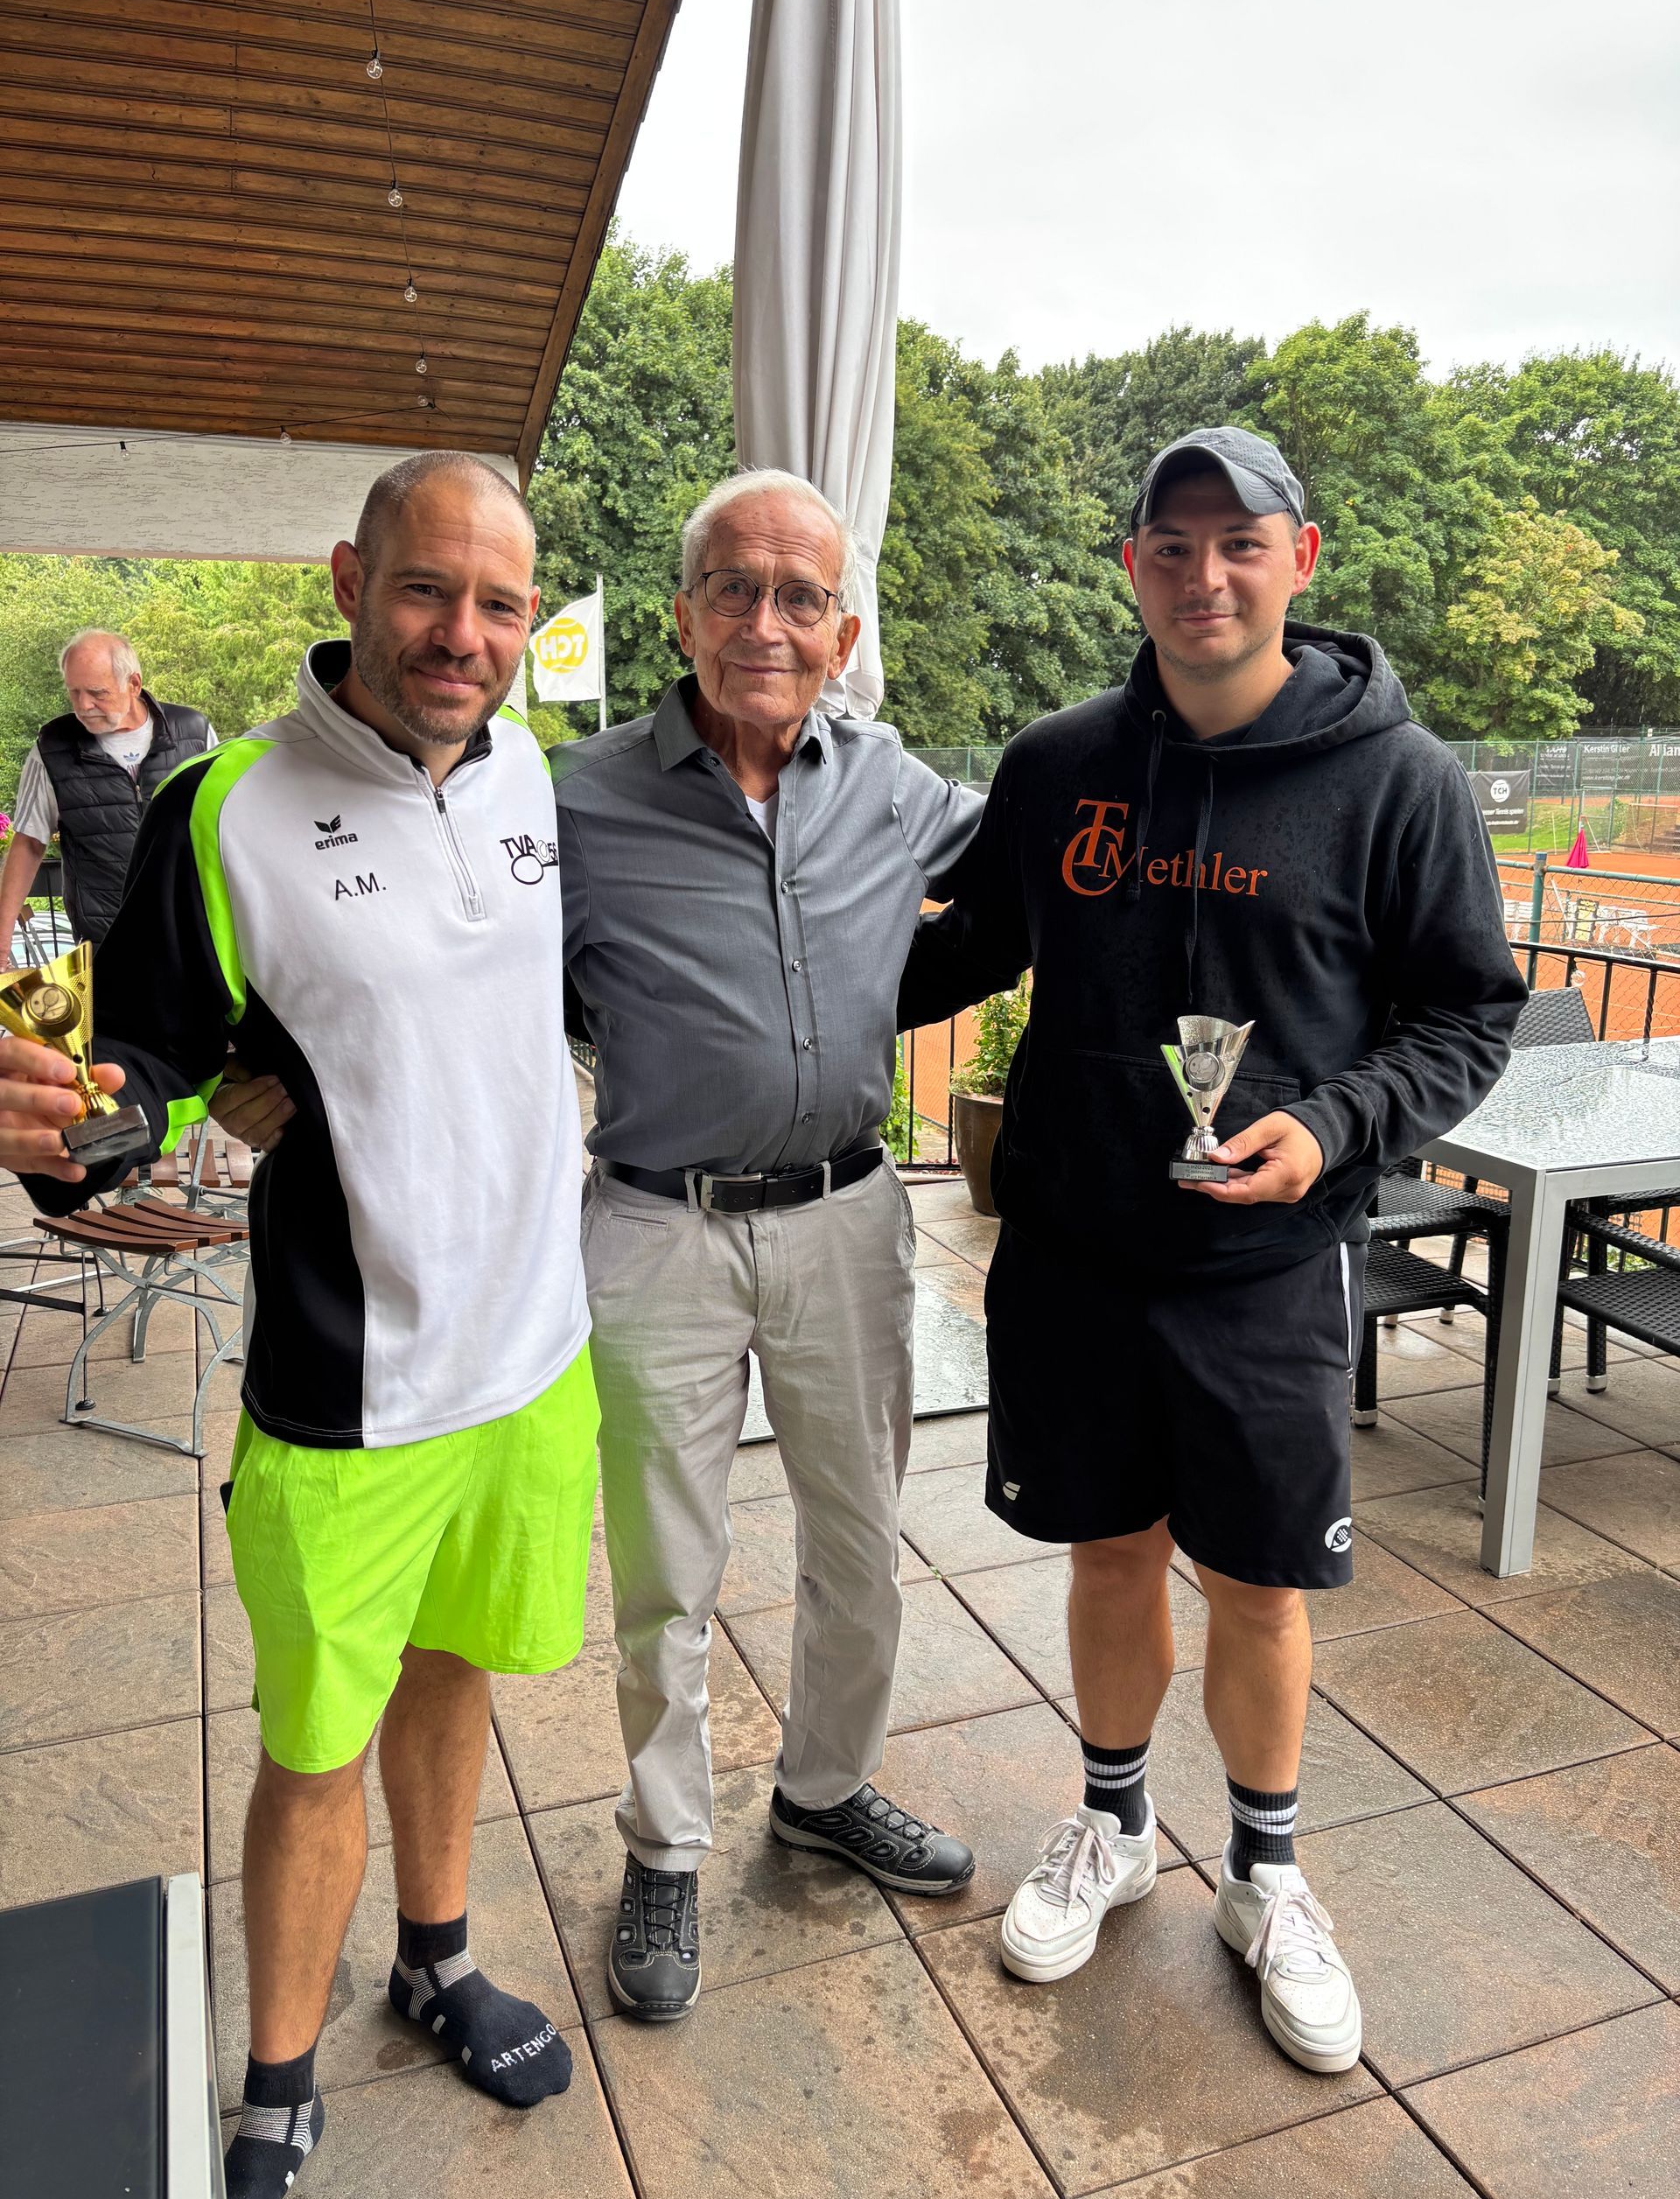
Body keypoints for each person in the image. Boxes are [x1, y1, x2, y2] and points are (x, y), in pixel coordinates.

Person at [0, 453, 596, 2199]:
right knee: (315, 1743)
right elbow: (148, 1048)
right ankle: (277, 2073)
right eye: (428, 589)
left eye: (500, 604)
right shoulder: (229, 804)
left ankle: (438, 1958)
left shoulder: (534, 772)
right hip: (352, 1383)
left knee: (455, 1673)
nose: (465, 634)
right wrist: (78, 1123)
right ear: (350, 580)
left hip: (534, 1357)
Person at [900, 426, 1524, 2074]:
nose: (1205, 577)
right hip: (1076, 1257)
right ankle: (1115, 1829)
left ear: (1299, 560)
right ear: (1132, 568)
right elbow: (965, 950)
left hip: (1267, 1267)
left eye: (1240, 544)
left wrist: (1334, 1122)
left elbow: (1468, 1012)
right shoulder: (1058, 764)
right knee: (1108, 1559)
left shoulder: (1401, 781)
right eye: (1171, 547)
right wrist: (761, 987)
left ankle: (1266, 1874)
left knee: (1259, 1583)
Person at [553, 468, 984, 2019]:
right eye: (734, 588)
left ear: (843, 633)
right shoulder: (575, 796)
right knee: (666, 1570)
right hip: (656, 1227)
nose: (766, 622)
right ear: (684, 615)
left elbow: (1052, 859)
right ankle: (665, 1845)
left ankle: (825, 1788)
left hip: (849, 1219)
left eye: (802, 596)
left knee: (860, 1536)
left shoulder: (898, 787)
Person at [0, 630, 215, 956]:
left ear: (134, 684)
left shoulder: (195, 733)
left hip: (194, 936)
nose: (83, 705)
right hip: (107, 946)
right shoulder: (52, 748)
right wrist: (2, 940)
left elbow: (225, 826)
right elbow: (29, 843)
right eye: (74, 692)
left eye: (97, 692)